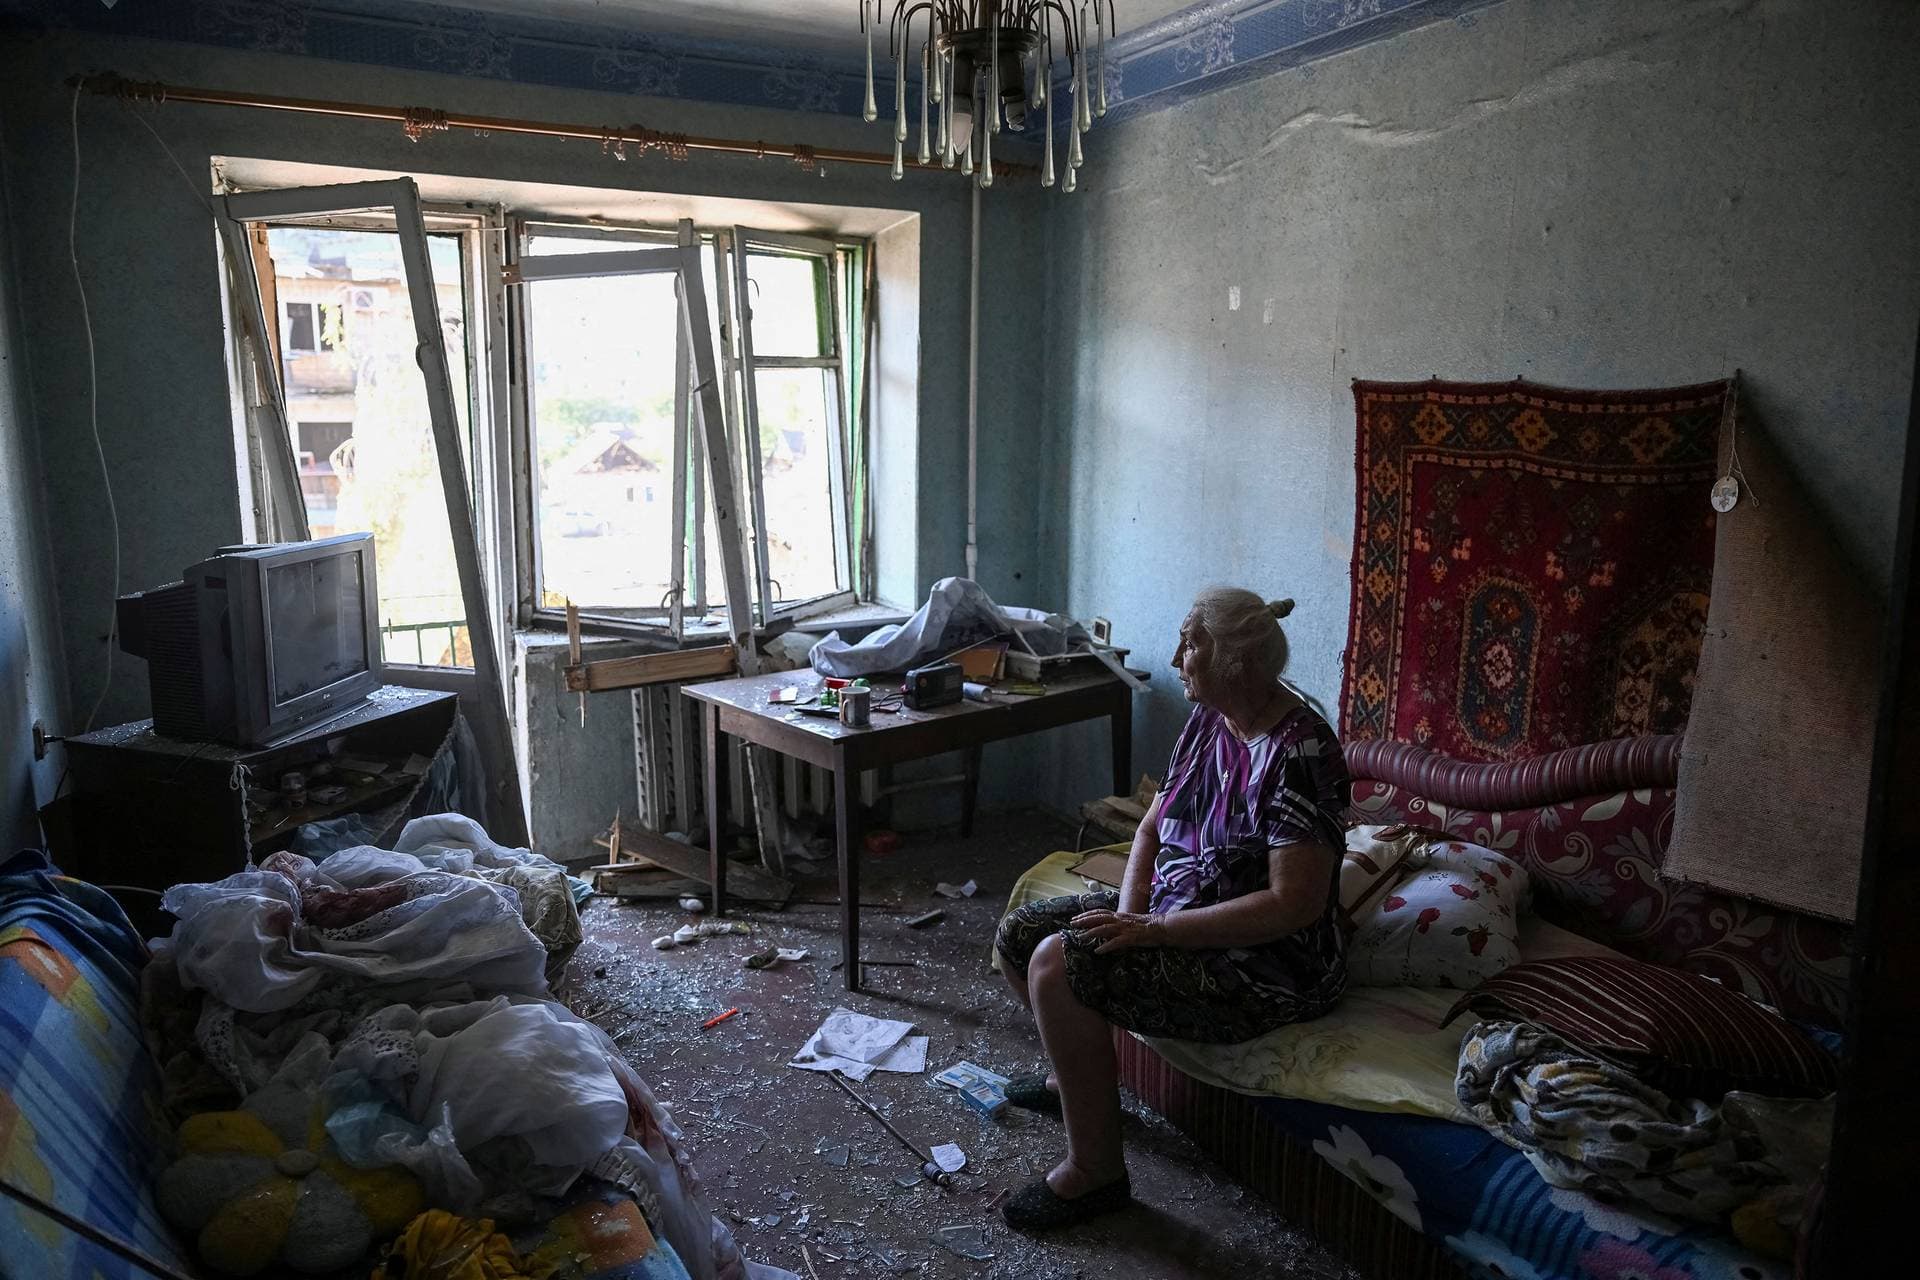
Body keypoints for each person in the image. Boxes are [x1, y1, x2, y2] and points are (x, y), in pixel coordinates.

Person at [993, 587, 1351, 1230]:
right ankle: (1069, 1082)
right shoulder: (1212, 719)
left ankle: (1096, 1173)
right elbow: (1150, 831)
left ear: (1238, 660)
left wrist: (1153, 930)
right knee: (1021, 935)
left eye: (1193, 642)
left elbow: (1293, 906)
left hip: (1267, 959)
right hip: (1174, 910)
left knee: (1057, 964)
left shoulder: (1300, 752)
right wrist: (1131, 919)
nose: (1178, 655)